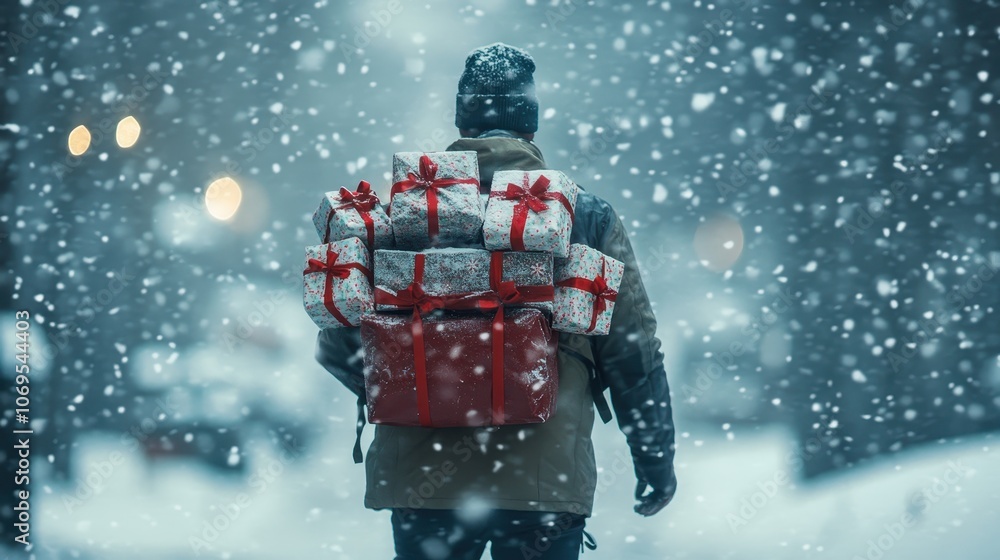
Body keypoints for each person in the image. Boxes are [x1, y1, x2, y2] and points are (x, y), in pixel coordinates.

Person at [315, 42, 677, 560]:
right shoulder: (584, 216)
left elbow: (340, 340)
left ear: (462, 119)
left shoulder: (400, 215)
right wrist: (655, 464)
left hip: (425, 482)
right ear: (530, 123)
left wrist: (420, 384)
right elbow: (633, 354)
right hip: (542, 481)